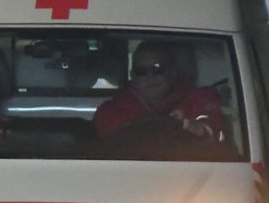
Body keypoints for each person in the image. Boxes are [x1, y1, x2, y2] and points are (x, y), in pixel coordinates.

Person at [94, 40, 224, 141]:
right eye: (141, 71)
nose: (150, 76)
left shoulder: (199, 99)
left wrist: (200, 129)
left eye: (157, 69)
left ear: (172, 71)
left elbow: (216, 131)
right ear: (133, 76)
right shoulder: (110, 111)